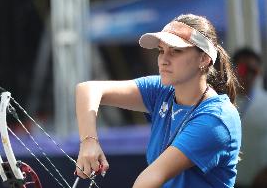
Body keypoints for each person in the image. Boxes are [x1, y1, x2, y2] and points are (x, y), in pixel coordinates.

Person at [74, 14, 242, 188]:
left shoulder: (217, 118)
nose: (164, 60)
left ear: (204, 59)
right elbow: (88, 89)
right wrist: (89, 142)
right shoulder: (162, 90)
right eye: (161, 50)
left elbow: (150, 179)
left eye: (176, 51)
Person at [233, 48, 267, 187]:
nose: (248, 75)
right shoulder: (221, 102)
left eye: (254, 71)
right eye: (243, 69)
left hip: (259, 181)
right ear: (233, 70)